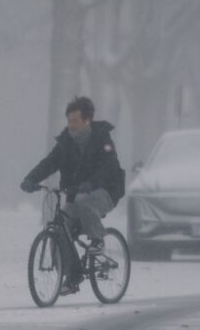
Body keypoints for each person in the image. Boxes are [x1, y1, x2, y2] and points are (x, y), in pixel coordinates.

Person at [20, 96, 125, 294]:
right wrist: (31, 179)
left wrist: (91, 183)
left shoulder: (102, 139)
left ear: (87, 120)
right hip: (76, 194)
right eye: (69, 120)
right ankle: (72, 276)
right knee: (60, 229)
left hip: (106, 191)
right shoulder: (65, 143)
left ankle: (98, 240)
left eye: (75, 121)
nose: (70, 125)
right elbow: (49, 163)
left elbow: (108, 168)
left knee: (85, 205)